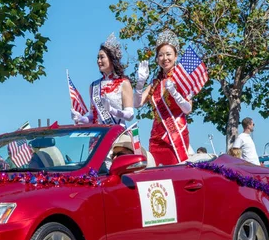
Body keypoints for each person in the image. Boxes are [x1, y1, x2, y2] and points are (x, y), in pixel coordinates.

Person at [134, 30, 193, 166]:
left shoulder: (182, 78)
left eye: (168, 54)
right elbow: (137, 103)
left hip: (176, 135)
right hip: (156, 137)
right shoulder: (155, 83)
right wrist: (140, 83)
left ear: (176, 56)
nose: (164, 58)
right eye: (160, 55)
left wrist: (175, 93)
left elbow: (188, 109)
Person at [71, 33, 134, 126]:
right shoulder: (94, 86)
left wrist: (112, 111)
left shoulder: (124, 83)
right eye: (98, 58)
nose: (98, 61)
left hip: (117, 135)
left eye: (102, 57)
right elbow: (93, 116)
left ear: (112, 59)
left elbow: (130, 115)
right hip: (98, 136)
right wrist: (81, 118)